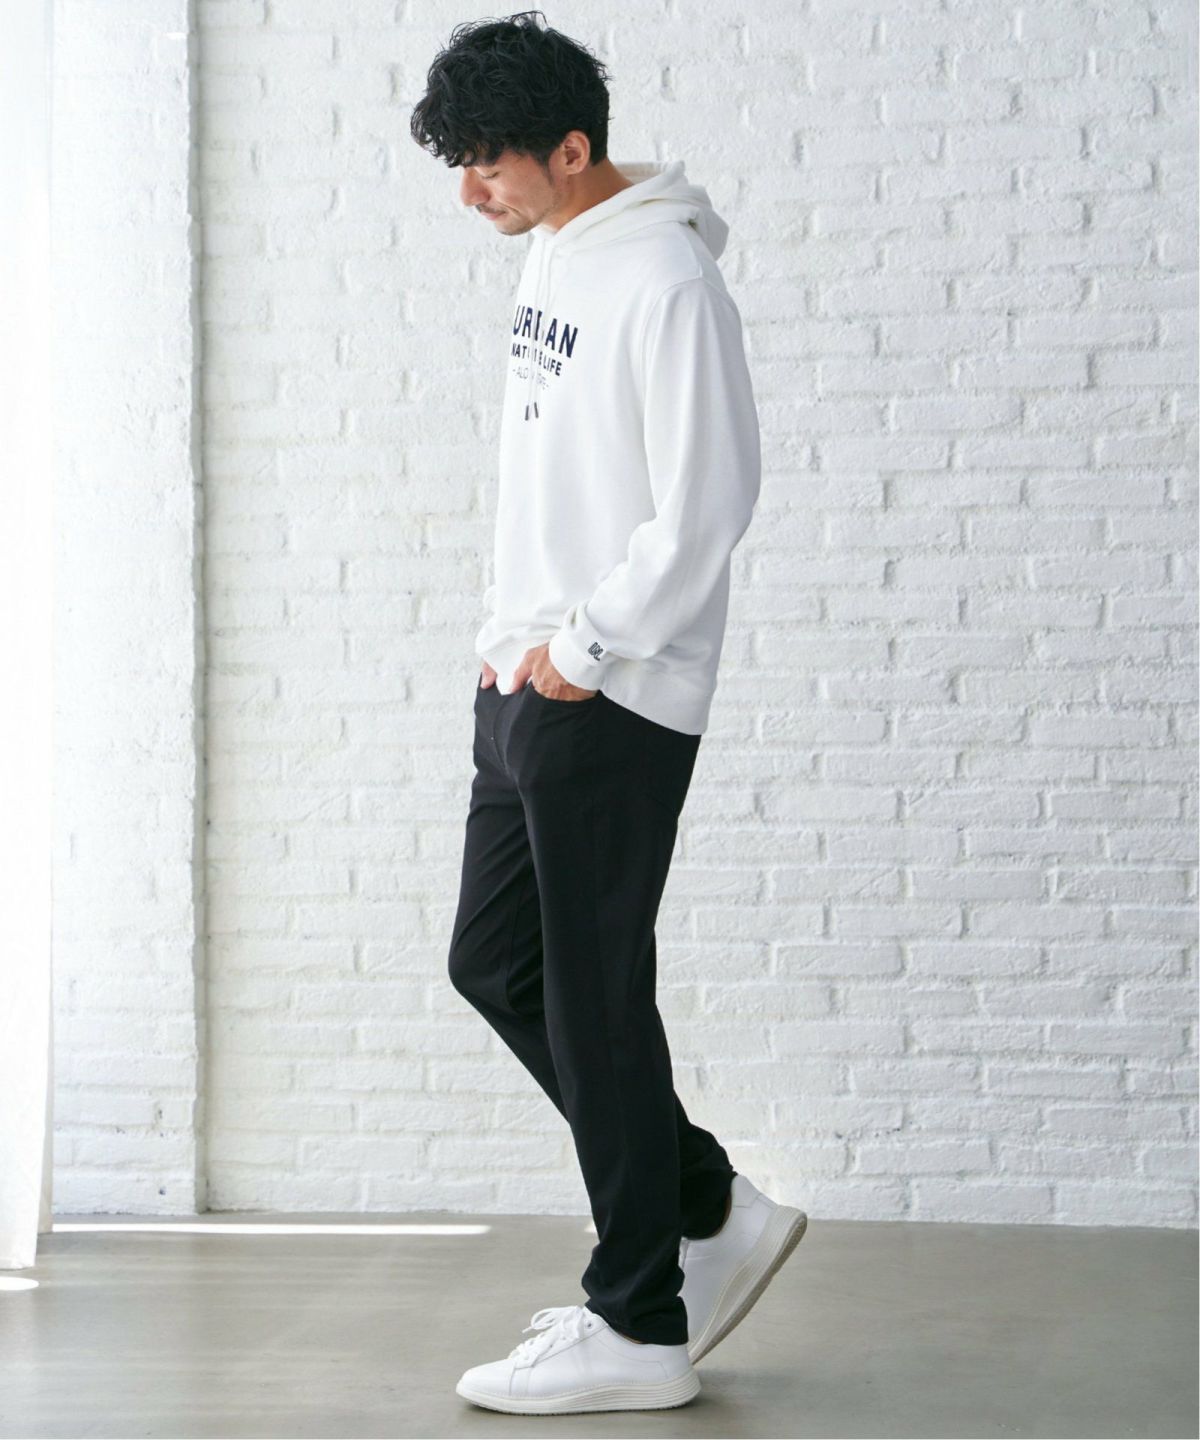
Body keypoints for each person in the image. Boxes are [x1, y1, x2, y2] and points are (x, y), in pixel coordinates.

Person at [411, 10, 808, 1416]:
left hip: (613, 687)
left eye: (491, 164)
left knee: (595, 1002)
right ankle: (707, 1207)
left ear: (573, 150)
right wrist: (508, 644)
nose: (472, 192)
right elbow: (550, 472)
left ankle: (639, 1322)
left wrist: (585, 647)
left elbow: (710, 500)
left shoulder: (668, 282)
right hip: (525, 678)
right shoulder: (554, 247)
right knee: (495, 965)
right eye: (460, 164)